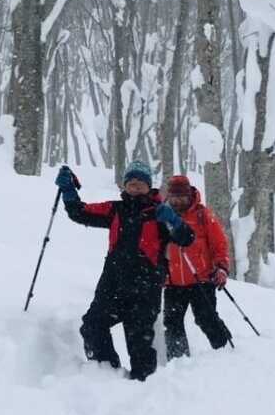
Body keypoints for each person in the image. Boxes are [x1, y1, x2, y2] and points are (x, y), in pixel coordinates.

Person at [56, 160, 194, 380]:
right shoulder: (114, 209)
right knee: (92, 326)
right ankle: (107, 376)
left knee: (140, 346)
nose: (136, 185)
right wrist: (68, 190)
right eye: (131, 181)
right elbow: (79, 212)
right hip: (112, 285)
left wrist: (173, 222)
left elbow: (187, 238)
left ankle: (143, 390)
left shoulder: (160, 213)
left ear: (149, 186)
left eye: (141, 181)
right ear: (124, 186)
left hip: (145, 291)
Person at [162, 175, 232, 360]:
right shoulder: (161, 216)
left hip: (202, 279)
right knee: (172, 322)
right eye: (174, 197)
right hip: (172, 282)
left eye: (182, 197)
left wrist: (221, 268)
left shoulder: (202, 214)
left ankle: (225, 351)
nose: (178, 201)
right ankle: (178, 360)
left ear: (189, 195)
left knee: (205, 318)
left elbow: (219, 244)